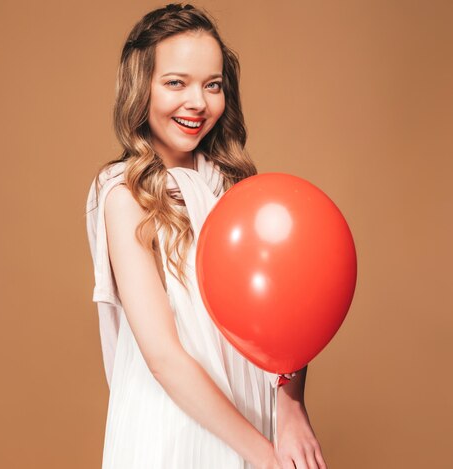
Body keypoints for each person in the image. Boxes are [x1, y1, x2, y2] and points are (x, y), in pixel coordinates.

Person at [85, 3, 327, 468]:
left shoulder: (236, 186)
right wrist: (261, 453)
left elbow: (288, 312)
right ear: (141, 88)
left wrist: (291, 404)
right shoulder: (124, 192)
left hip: (254, 415)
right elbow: (163, 357)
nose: (197, 102)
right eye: (176, 82)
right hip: (174, 428)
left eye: (211, 85)